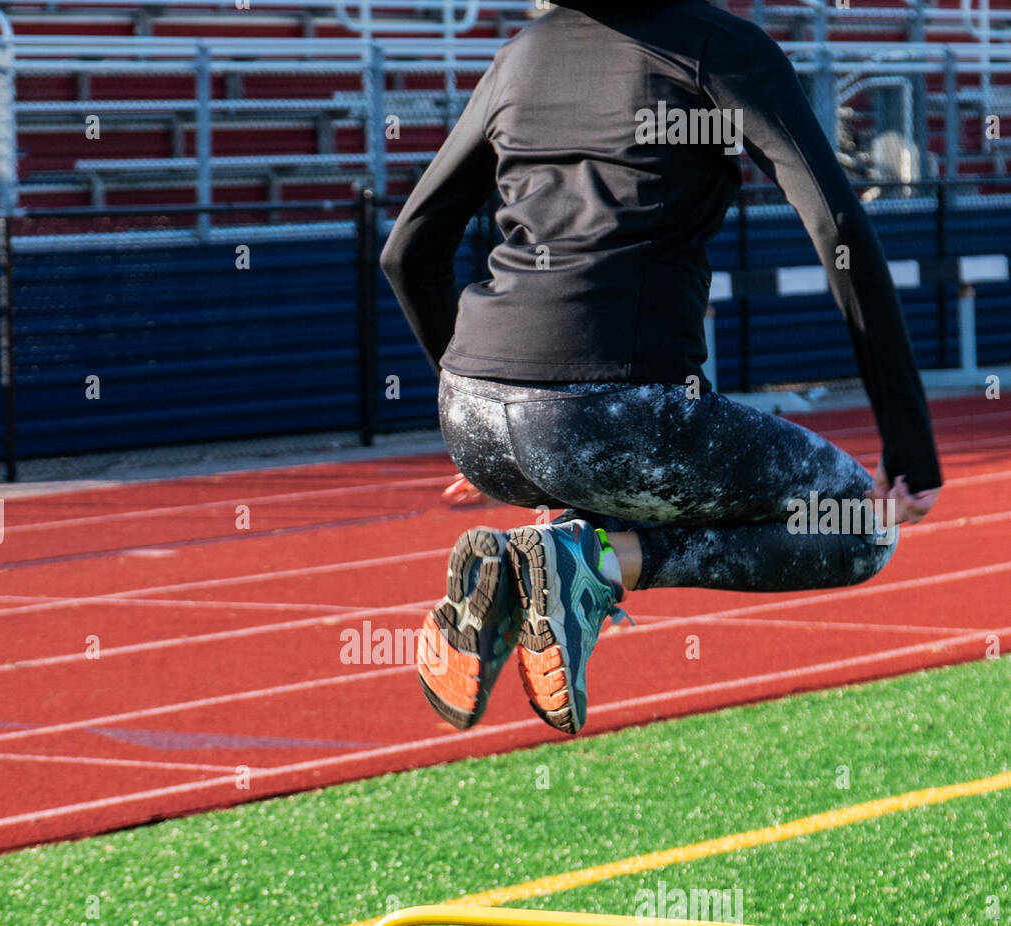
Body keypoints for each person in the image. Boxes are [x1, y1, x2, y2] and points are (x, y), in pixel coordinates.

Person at [379, 0, 942, 736]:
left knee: (612, 476)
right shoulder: (720, 47)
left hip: (475, 418)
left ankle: (530, 579)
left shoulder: (522, 53)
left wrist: (483, 401)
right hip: (609, 417)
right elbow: (836, 227)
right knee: (859, 526)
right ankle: (595, 567)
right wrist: (910, 446)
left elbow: (407, 250)